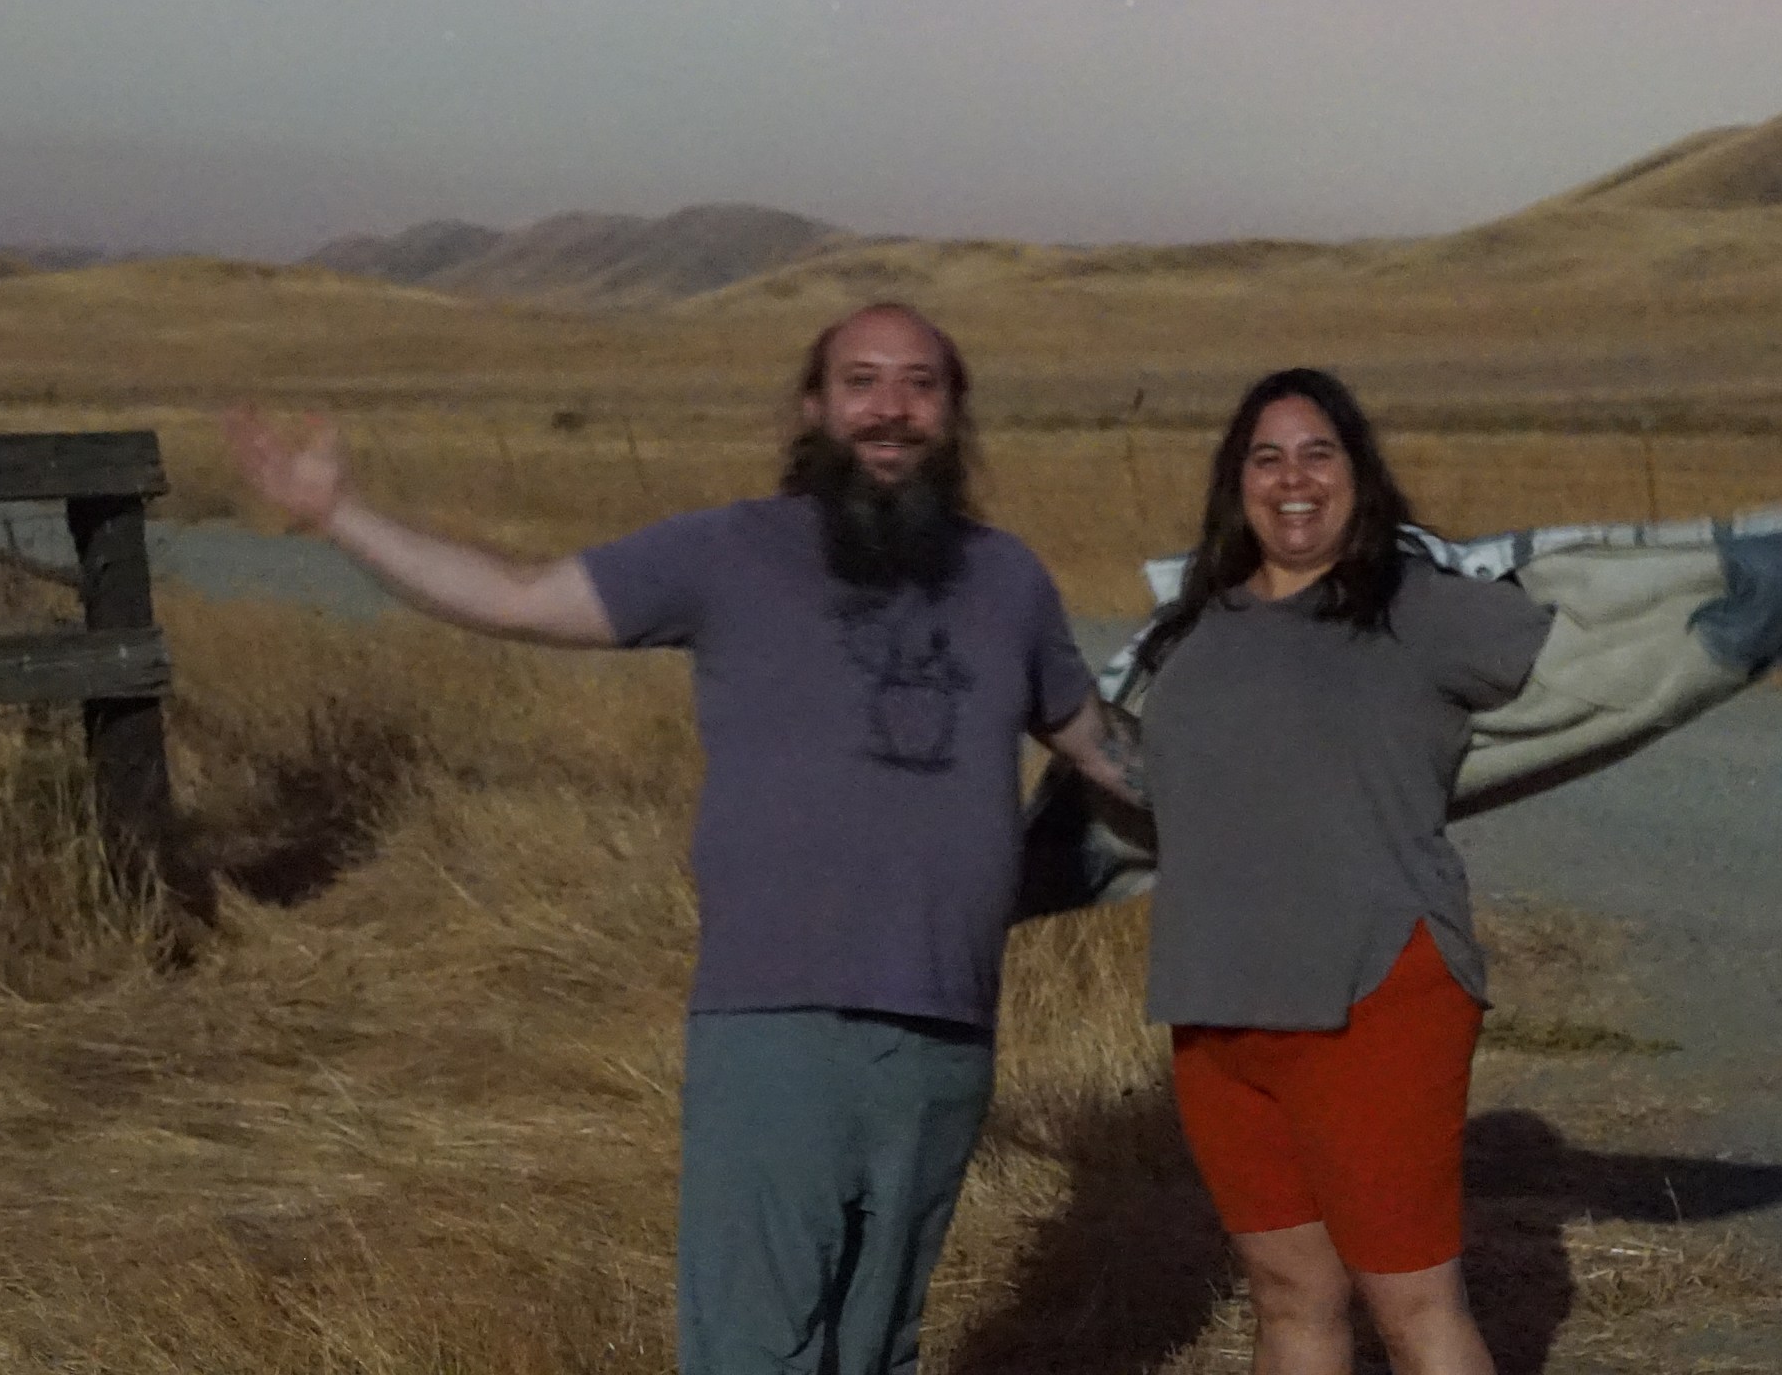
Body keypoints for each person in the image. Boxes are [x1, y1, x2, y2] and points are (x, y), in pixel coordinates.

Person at [223, 301, 1139, 1375]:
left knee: (878, 1346)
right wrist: (340, 516)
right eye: (862, 381)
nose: (891, 408)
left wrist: (1285, 779)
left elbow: (1106, 752)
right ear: (815, 405)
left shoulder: (1009, 579)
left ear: (954, 410)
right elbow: (521, 598)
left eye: (920, 383)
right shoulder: (728, 552)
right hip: (778, 1026)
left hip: (942, 1035)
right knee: (757, 1348)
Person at [1128, 368, 1555, 1375]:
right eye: (1266, 457)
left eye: (1319, 453)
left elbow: (1578, 650)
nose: (1293, 479)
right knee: (1288, 1298)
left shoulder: (1415, 605)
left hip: (1373, 998)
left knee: (1411, 1304)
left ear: (1359, 473)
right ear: (1237, 482)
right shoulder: (1194, 628)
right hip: (1218, 1011)